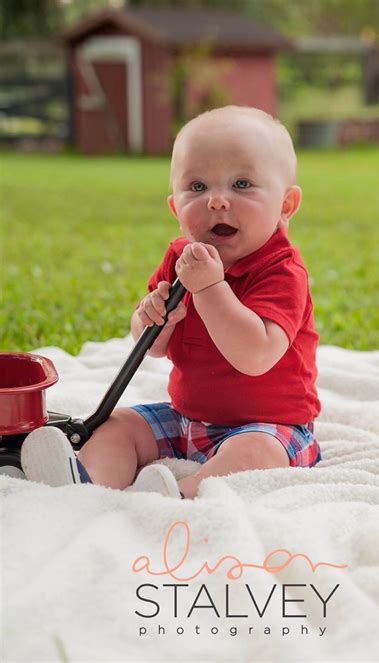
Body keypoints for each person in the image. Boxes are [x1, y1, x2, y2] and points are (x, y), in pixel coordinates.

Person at [21, 105, 322, 499]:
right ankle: (86, 484)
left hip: (271, 424)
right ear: (175, 207)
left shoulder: (281, 270)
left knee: (253, 452)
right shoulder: (182, 257)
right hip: (186, 418)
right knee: (118, 425)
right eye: (197, 188)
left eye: (242, 184)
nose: (216, 201)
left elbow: (255, 355)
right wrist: (151, 319)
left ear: (286, 205)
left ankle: (180, 495)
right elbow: (155, 347)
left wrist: (211, 290)